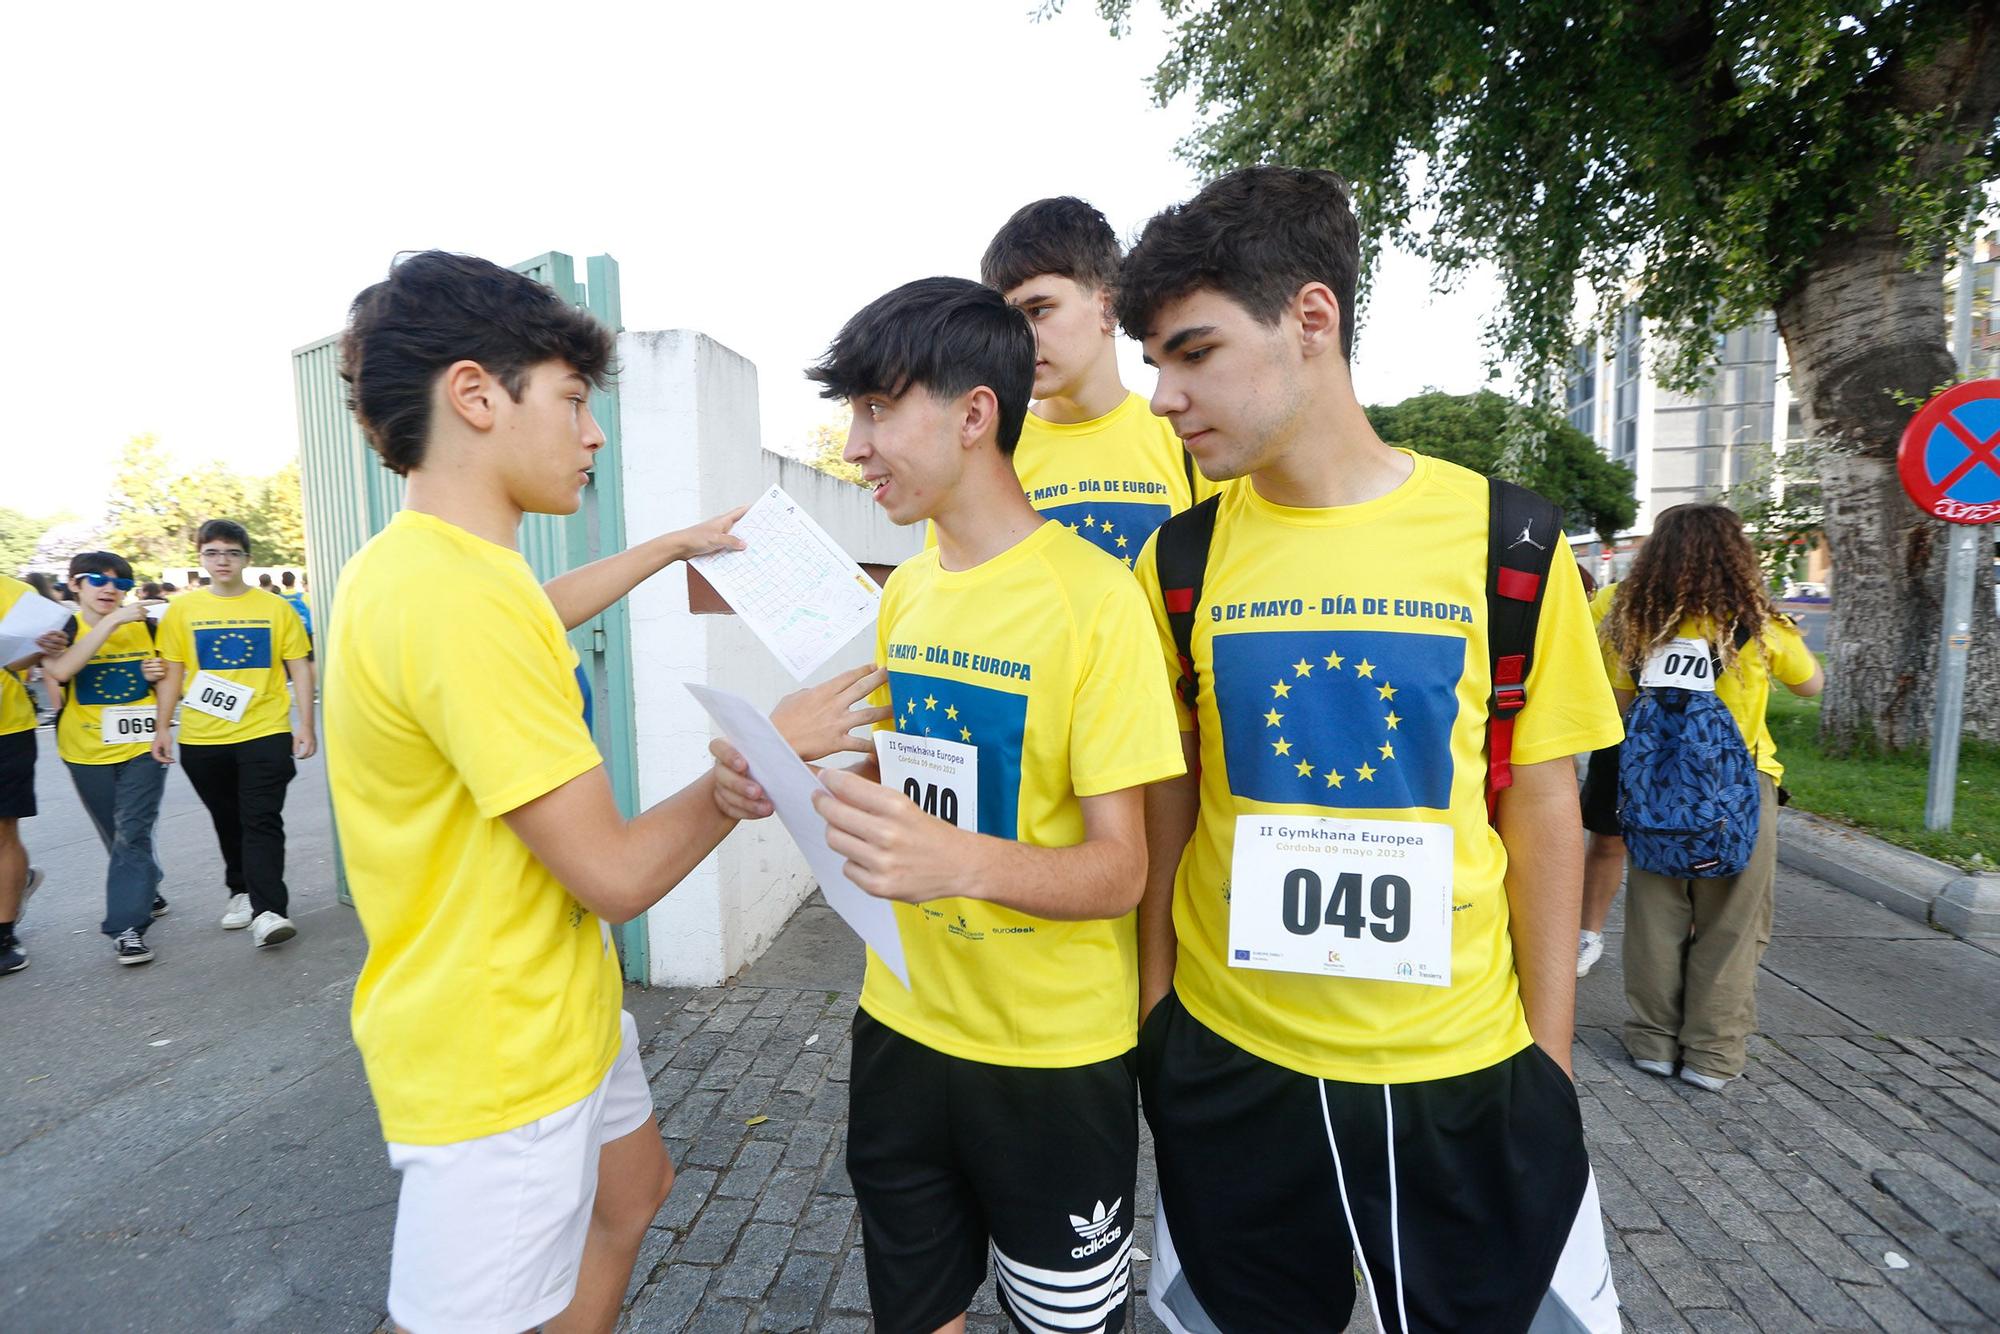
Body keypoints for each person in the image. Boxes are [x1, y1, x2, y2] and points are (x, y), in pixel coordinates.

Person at [327, 248, 884, 1334]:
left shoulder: (422, 566)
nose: (592, 432)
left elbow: (536, 609)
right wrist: (760, 756)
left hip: (548, 1007)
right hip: (501, 1053)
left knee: (634, 1195)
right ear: (476, 395)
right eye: (573, 399)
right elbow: (619, 874)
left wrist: (672, 543)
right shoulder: (461, 605)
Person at [1121, 167, 1626, 1332]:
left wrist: (1544, 1063)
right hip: (1230, 1060)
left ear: (1310, 319)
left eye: (1191, 352)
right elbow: (1169, 798)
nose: (1162, 395)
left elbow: (1544, 801)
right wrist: (1159, 1017)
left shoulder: (1508, 538)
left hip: (1459, 1068)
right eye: (1152, 360)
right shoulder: (1179, 561)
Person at [805, 276, 1185, 1334]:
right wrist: (802, 786)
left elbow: (1122, 869)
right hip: (898, 1026)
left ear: (974, 414)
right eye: (854, 414)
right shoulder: (909, 588)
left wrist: (956, 859)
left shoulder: (1096, 602)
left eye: (878, 409)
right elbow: (904, 779)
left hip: (1051, 1062)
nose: (855, 445)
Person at [1600, 503, 1822, 1092]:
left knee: (1655, 915)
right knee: (1731, 924)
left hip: (1655, 791)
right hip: (1741, 793)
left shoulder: (1637, 620)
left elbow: (1619, 708)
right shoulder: (1759, 623)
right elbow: (1811, 684)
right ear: (1736, 556)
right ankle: (1711, 1055)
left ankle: (1650, 1040)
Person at [974, 196, 1218, 568]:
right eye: (1009, 318)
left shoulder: (1189, 438)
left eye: (1039, 310)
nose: (1022, 336)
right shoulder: (983, 456)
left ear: (1108, 306)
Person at [150, 519, 315, 948]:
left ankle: (269, 911)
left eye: (231, 552)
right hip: (203, 738)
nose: (222, 560)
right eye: (212, 552)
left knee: (261, 818)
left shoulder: (276, 609)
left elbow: (299, 665)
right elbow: (172, 672)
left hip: (265, 730)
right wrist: (162, 727)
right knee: (228, 819)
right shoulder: (183, 610)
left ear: (246, 558)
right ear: (201, 558)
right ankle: (240, 889)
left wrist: (306, 725)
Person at [40, 552, 171, 965]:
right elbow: (60, 672)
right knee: (116, 831)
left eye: (120, 583)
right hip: (84, 750)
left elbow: (170, 681)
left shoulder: (148, 627)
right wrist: (113, 622)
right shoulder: (57, 631)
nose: (110, 589)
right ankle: (146, 882)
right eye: (96, 580)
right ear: (74, 585)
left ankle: (127, 927)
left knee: (132, 829)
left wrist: (159, 681)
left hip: (142, 747)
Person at [0, 575, 65, 976]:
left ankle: (3, 934)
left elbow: (18, 662)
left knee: (3, 831)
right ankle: (15, 883)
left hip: (6, 730)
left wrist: (45, 648)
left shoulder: (16, 593)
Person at [1576, 571, 1624, 977]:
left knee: (1685, 856)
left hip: (1698, 752)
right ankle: (1587, 933)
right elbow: (1575, 643)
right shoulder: (1616, 598)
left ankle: (1686, 950)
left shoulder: (1736, 607)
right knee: (1608, 839)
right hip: (1622, 736)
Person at [278, 570, 312, 642]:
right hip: (305, 632)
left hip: (288, 633)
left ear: (283, 582)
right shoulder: (305, 596)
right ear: (294, 581)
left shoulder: (279, 598)